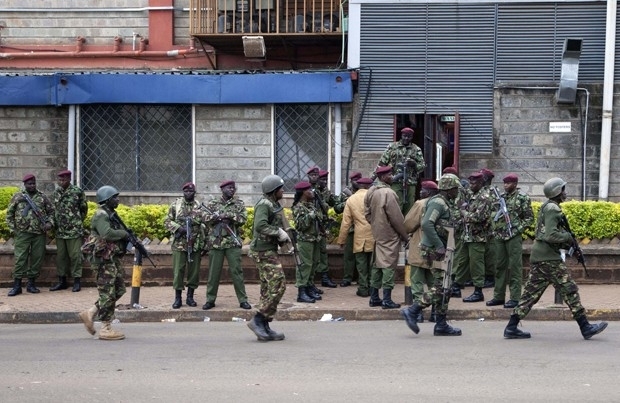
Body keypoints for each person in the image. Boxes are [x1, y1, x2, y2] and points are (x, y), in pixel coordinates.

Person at [504, 177, 608, 340]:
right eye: (563, 189)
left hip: (540, 256)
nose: (565, 192)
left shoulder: (548, 206)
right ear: (557, 192)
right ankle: (585, 327)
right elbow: (551, 235)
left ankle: (511, 327)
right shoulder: (553, 209)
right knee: (570, 290)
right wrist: (568, 236)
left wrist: (570, 248)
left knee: (530, 294)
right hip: (549, 259)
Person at [401, 174, 462, 336]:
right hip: (435, 250)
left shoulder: (445, 202)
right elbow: (427, 223)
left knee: (445, 287)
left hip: (443, 249)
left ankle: (441, 323)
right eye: (456, 188)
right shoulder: (438, 202)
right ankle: (413, 310)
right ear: (449, 189)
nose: (457, 191)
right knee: (441, 287)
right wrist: (439, 245)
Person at [78, 186, 129, 340]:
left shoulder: (111, 214)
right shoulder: (101, 214)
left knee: (119, 289)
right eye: (115, 197)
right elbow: (106, 233)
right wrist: (124, 234)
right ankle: (105, 328)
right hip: (103, 260)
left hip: (111, 258)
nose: (118, 199)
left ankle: (91, 312)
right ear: (107, 200)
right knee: (107, 292)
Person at [246, 175, 288, 342]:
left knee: (267, 287)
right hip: (262, 251)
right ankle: (258, 319)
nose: (283, 190)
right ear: (273, 190)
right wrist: (278, 232)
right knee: (279, 283)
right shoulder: (264, 205)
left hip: (269, 249)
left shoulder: (274, 204)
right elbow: (260, 225)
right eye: (281, 188)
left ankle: (264, 324)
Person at [486, 174, 534, 308]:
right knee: (499, 266)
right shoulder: (500, 197)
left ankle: (515, 297)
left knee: (515, 267)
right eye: (504, 183)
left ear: (515, 184)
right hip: (500, 236)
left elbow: (529, 218)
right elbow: (493, 214)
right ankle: (498, 296)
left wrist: (517, 229)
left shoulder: (522, 198)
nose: (505, 186)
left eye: (508, 183)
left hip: (513, 236)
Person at [364, 165, 409, 309]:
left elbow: (367, 213)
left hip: (377, 233)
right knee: (389, 266)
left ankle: (374, 297)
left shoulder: (371, 191)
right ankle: (387, 299)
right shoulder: (389, 193)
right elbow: (396, 217)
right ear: (382, 177)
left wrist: (376, 224)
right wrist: (405, 235)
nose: (392, 177)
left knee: (377, 265)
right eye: (389, 175)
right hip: (389, 235)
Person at [202, 180, 250, 310]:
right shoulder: (213, 203)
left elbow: (243, 219)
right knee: (214, 273)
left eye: (233, 188)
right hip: (216, 243)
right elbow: (204, 218)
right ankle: (210, 300)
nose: (232, 190)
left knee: (237, 272)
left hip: (232, 243)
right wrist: (216, 218)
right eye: (229, 188)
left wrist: (228, 216)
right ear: (222, 189)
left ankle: (243, 300)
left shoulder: (238, 203)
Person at [6, 174, 54, 296]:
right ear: (25, 184)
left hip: (39, 233)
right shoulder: (18, 197)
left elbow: (51, 212)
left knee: (37, 258)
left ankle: (31, 284)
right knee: (20, 259)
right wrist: (14, 230)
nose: (32, 185)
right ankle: (17, 285)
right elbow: (9, 214)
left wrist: (49, 223)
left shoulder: (42, 197)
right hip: (22, 233)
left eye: (33, 183)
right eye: (29, 184)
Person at [163, 182, 207, 309]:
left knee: (194, 272)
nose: (188, 193)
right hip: (179, 244)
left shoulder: (200, 206)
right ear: (183, 192)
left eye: (191, 191)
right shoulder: (176, 205)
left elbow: (205, 224)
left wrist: (204, 244)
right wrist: (178, 228)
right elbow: (167, 221)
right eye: (186, 191)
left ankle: (190, 297)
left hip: (195, 243)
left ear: (194, 193)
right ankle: (178, 298)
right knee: (178, 271)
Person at [403, 180, 440, 322]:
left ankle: (417, 313)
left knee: (417, 282)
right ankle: (436, 313)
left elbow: (408, 224)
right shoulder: (440, 204)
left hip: (420, 247)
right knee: (434, 283)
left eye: (422, 190)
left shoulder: (420, 204)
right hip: (436, 250)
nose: (420, 192)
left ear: (428, 192)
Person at [50, 169, 88, 292]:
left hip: (74, 230)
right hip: (60, 230)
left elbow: (84, 209)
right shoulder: (56, 193)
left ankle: (77, 281)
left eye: (64, 180)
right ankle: (62, 281)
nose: (62, 182)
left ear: (69, 179)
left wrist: (76, 221)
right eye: (60, 180)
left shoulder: (77, 192)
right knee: (61, 257)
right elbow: (53, 210)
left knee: (75, 256)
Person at [336, 177, 375, 298]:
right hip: (374, 235)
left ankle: (363, 289)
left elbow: (346, 223)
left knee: (361, 264)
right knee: (373, 264)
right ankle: (373, 288)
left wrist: (341, 240)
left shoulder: (351, 199)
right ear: (369, 186)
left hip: (359, 236)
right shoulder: (375, 197)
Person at [376, 127, 426, 216]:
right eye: (404, 136)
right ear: (401, 135)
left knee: (409, 207)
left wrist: (414, 164)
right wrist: (375, 178)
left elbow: (422, 167)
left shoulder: (416, 149)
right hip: (395, 181)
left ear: (412, 137)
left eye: (409, 137)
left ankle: (406, 228)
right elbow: (382, 164)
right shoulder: (392, 147)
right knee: (395, 205)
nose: (406, 138)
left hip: (410, 183)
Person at [459, 171, 493, 303]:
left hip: (478, 236)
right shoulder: (471, 195)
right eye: (470, 183)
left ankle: (478, 292)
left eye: (474, 183)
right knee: (462, 262)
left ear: (480, 183)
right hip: (467, 235)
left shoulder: (484, 197)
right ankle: (456, 286)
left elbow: (478, 217)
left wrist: (463, 212)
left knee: (476, 264)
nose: (471, 185)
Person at [292, 181, 323, 303]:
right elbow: (300, 226)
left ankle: (309, 286)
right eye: (309, 190)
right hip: (305, 240)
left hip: (314, 239)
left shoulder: (310, 205)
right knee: (305, 265)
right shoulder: (298, 207)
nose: (312, 192)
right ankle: (301, 291)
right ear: (303, 193)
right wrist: (310, 216)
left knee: (314, 263)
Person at [309, 168, 338, 288]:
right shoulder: (310, 191)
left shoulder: (324, 191)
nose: (325, 182)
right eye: (323, 179)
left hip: (321, 226)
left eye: (326, 180)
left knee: (323, 252)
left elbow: (334, 203)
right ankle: (310, 281)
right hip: (312, 227)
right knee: (313, 254)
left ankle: (325, 277)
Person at [333, 171, 362, 287]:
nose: (357, 183)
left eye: (359, 180)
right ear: (351, 181)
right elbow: (337, 208)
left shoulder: (365, 192)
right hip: (350, 228)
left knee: (361, 256)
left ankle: (362, 278)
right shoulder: (345, 194)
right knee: (349, 255)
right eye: (355, 180)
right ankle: (347, 278)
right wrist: (348, 202)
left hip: (362, 228)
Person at [480, 168, 498, 289]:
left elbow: (495, 210)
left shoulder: (493, 191)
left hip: (490, 228)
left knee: (490, 254)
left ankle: (490, 278)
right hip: (480, 227)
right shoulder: (479, 190)